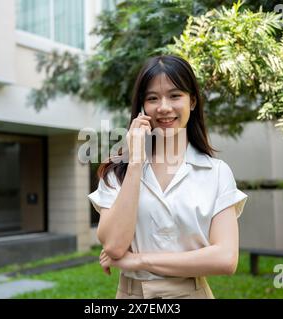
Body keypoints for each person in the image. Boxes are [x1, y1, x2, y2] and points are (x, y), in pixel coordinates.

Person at [88, 55, 248, 299]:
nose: (164, 107)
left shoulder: (217, 173)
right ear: (142, 108)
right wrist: (135, 161)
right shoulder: (117, 172)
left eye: (175, 96)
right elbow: (114, 246)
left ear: (192, 101)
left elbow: (226, 259)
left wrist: (139, 261)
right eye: (152, 98)